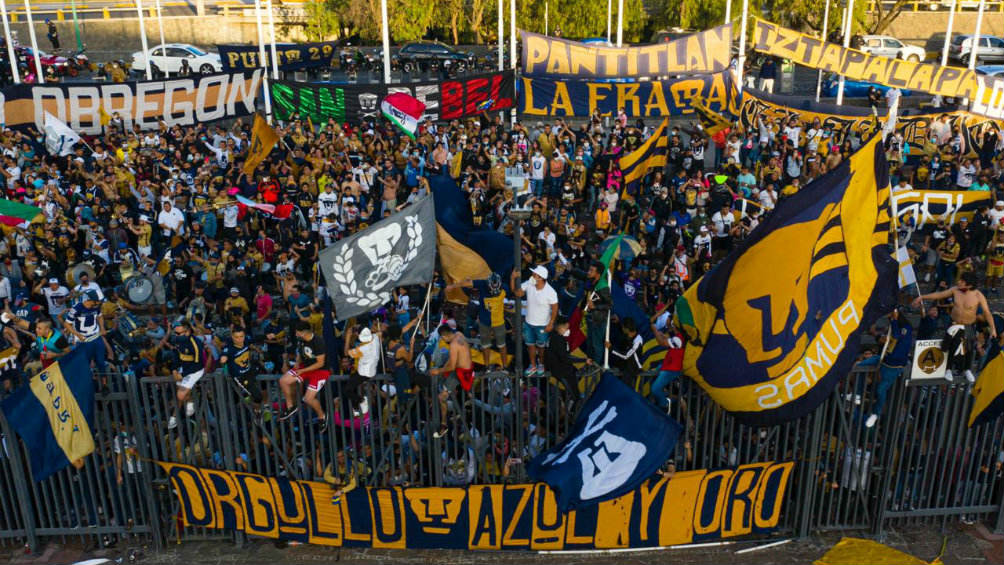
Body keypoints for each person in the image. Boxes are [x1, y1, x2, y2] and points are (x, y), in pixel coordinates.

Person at [912, 271, 996, 382]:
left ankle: (967, 369)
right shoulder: (955, 290)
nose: (958, 282)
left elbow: (987, 312)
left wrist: (993, 328)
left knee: (969, 348)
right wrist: (922, 297)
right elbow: (939, 295)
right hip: (954, 323)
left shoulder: (978, 295)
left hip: (968, 325)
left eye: (962, 281)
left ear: (969, 285)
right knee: (952, 346)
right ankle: (948, 369)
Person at [858, 309, 913, 428]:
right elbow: (887, 342)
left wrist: (894, 320)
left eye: (891, 316)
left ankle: (875, 414)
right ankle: (858, 394)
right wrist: (877, 335)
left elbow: (896, 336)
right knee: (860, 367)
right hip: (884, 358)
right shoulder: (892, 327)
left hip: (894, 365)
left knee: (880, 389)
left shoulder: (906, 328)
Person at [279, 320, 330, 428]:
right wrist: (297, 363)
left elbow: (320, 363)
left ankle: (322, 416)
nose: (295, 333)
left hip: (320, 371)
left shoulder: (318, 341)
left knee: (308, 399)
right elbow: (300, 353)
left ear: (303, 332)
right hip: (305, 367)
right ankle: (290, 407)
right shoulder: (301, 340)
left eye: (297, 332)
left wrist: (302, 371)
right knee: (283, 380)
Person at [511, 265, 558, 377]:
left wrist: (551, 323)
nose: (532, 275)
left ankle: (541, 364)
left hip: (542, 325)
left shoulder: (550, 292)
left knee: (541, 347)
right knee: (530, 346)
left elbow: (555, 307)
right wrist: (512, 278)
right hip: (528, 323)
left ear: (540, 277)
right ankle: (533, 365)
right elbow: (517, 293)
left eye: (535, 274)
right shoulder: (530, 283)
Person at [428, 324, 472, 439]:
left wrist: (438, 371)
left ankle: (444, 425)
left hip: (460, 373)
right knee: (443, 378)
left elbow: (452, 366)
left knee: (441, 397)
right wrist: (442, 370)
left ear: (444, 336)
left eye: (442, 338)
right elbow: (452, 360)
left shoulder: (453, 345)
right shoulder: (459, 334)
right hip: (465, 369)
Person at [167, 318, 205, 430]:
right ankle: (188, 402)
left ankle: (190, 401)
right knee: (180, 393)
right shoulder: (178, 340)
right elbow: (176, 357)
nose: (176, 336)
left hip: (195, 370)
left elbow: (198, 364)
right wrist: (174, 370)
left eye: (178, 333)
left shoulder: (195, 343)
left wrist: (183, 375)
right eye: (175, 333)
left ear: (187, 332)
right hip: (184, 368)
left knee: (180, 395)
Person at [219, 326, 262, 407]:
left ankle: (249, 401)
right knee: (257, 397)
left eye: (241, 336)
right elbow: (223, 358)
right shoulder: (229, 348)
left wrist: (255, 347)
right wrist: (223, 358)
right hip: (240, 376)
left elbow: (255, 339)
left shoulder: (246, 341)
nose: (239, 339)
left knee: (263, 383)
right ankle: (255, 412)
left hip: (249, 370)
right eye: (236, 337)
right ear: (232, 337)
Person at [649, 320, 684, 412]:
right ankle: (670, 397)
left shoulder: (679, 339)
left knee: (655, 389)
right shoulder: (678, 337)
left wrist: (655, 330)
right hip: (666, 365)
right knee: (651, 377)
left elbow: (662, 343)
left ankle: (665, 405)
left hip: (672, 369)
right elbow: (666, 340)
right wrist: (661, 334)